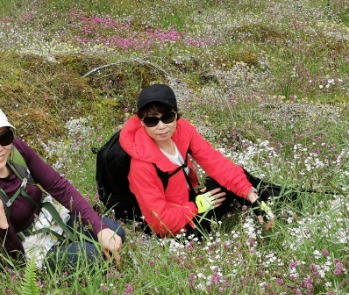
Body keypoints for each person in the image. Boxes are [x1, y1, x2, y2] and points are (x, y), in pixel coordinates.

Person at [0, 99, 124, 269]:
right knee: (93, 255)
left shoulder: (17, 151)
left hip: (50, 218)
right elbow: (14, 258)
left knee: (114, 233)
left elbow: (58, 186)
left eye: (4, 137)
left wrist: (99, 229)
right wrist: (0, 221)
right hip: (30, 244)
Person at [119, 84, 279, 238]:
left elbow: (216, 163)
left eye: (167, 118)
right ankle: (276, 204)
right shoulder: (141, 166)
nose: (161, 126)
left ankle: (267, 203)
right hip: (179, 228)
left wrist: (251, 196)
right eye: (152, 121)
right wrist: (196, 206)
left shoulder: (183, 131)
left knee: (235, 176)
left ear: (176, 115)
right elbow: (160, 223)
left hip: (192, 200)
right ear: (141, 122)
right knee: (230, 183)